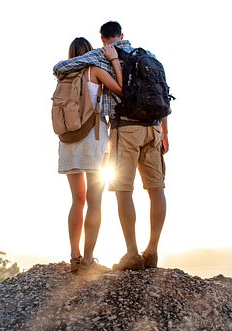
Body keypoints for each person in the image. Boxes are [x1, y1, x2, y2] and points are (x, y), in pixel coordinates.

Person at [53, 21, 169, 271]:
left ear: (103, 40)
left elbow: (60, 76)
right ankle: (147, 251)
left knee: (90, 198)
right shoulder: (144, 57)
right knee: (152, 189)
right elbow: (148, 91)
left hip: (79, 138)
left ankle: (90, 256)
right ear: (121, 36)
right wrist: (164, 132)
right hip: (139, 130)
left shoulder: (77, 68)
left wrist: (111, 59)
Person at [56, 37, 123, 273]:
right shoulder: (94, 70)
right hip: (93, 139)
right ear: (89, 52)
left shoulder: (63, 76)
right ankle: (88, 259)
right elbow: (120, 89)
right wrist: (114, 62)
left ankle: (74, 256)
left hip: (68, 142)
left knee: (77, 200)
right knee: (95, 200)